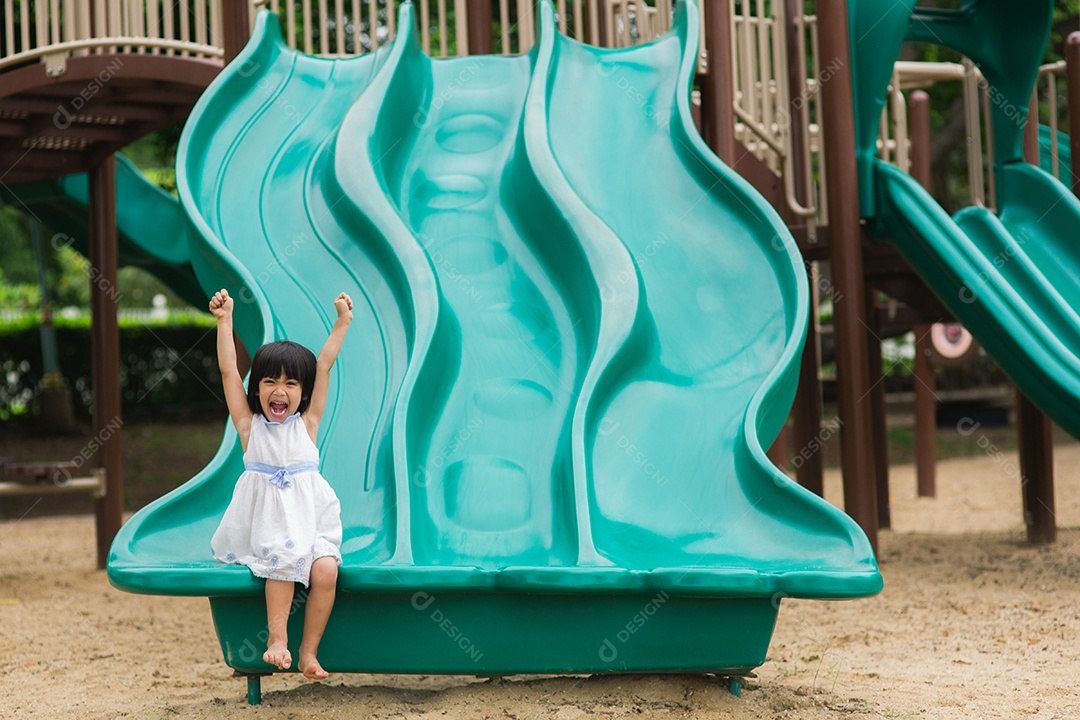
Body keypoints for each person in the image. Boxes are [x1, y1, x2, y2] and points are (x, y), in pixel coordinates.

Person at [208, 287, 353, 680]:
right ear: (256, 389)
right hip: (271, 525)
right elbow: (228, 372)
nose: (279, 391)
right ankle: (277, 639)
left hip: (312, 521)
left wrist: (342, 322)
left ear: (303, 394)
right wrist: (225, 322)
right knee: (282, 561)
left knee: (326, 572)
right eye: (270, 381)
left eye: (291, 384)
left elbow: (323, 365)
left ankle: (308, 652)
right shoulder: (249, 427)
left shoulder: (307, 425)